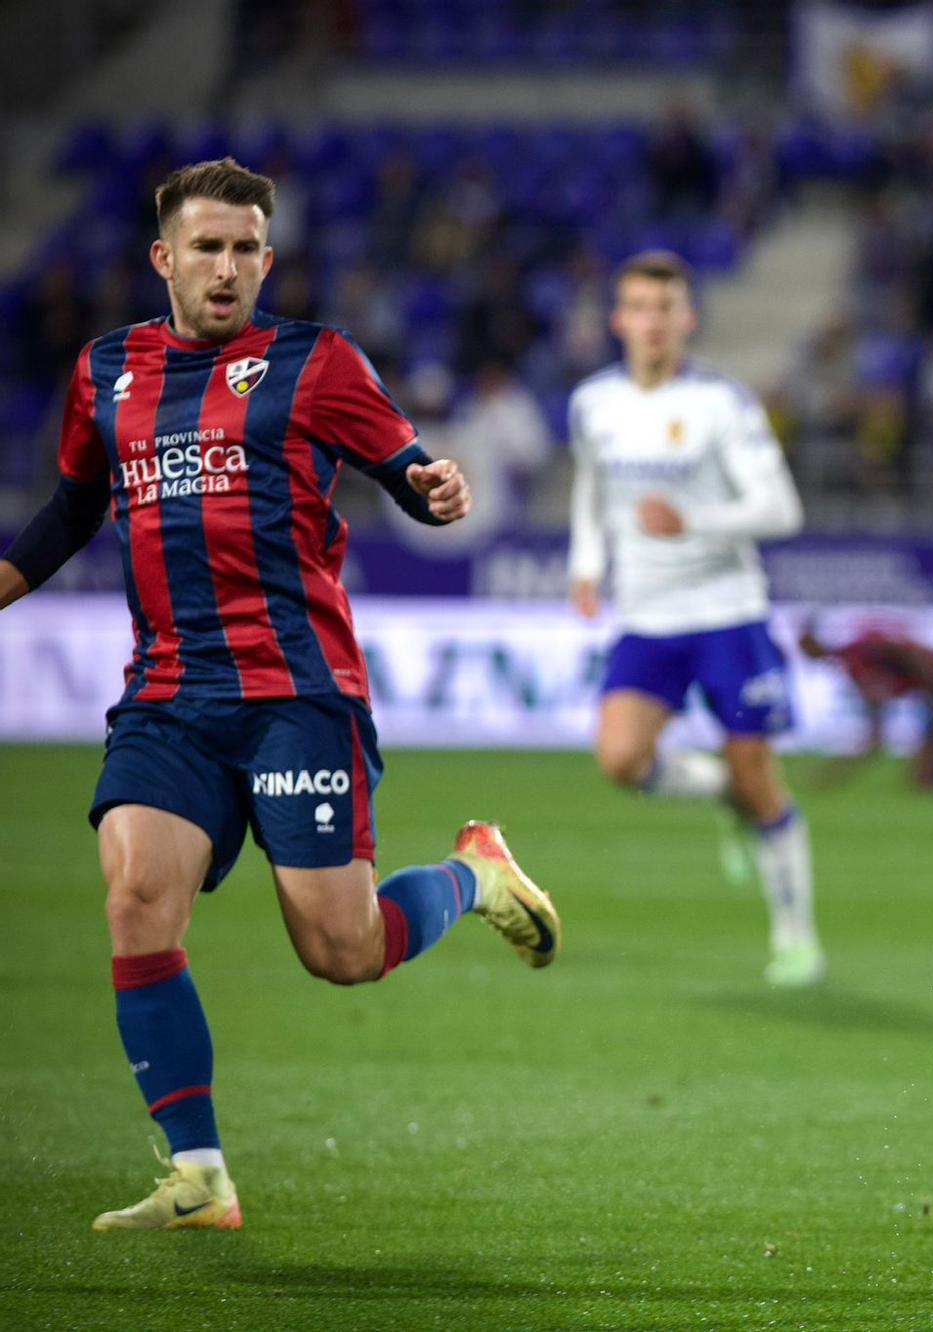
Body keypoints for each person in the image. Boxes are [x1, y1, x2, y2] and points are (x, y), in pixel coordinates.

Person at [0, 158, 562, 1233]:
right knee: (133, 897)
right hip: (168, 691)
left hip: (295, 689)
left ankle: (472, 875)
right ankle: (199, 1174)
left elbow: (406, 466)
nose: (227, 269)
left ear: (269, 257)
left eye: (245, 249)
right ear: (163, 258)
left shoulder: (314, 361)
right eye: (205, 248)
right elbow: (74, 506)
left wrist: (432, 487)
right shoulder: (105, 370)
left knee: (339, 952)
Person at [567, 251, 823, 988]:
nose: (652, 322)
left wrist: (694, 520)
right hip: (645, 617)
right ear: (619, 320)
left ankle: (796, 937)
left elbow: (782, 509)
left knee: (761, 777)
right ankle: (720, 796)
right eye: (639, 308)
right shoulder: (594, 404)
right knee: (620, 761)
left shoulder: (722, 404)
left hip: (726, 613)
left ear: (688, 319)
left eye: (665, 308)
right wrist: (586, 566)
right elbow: (591, 487)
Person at [797, 620, 933, 789]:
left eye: (804, 644)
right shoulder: (855, 669)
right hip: (932, 689)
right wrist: (832, 775)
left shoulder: (865, 648)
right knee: (924, 780)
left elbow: (915, 653)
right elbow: (875, 739)